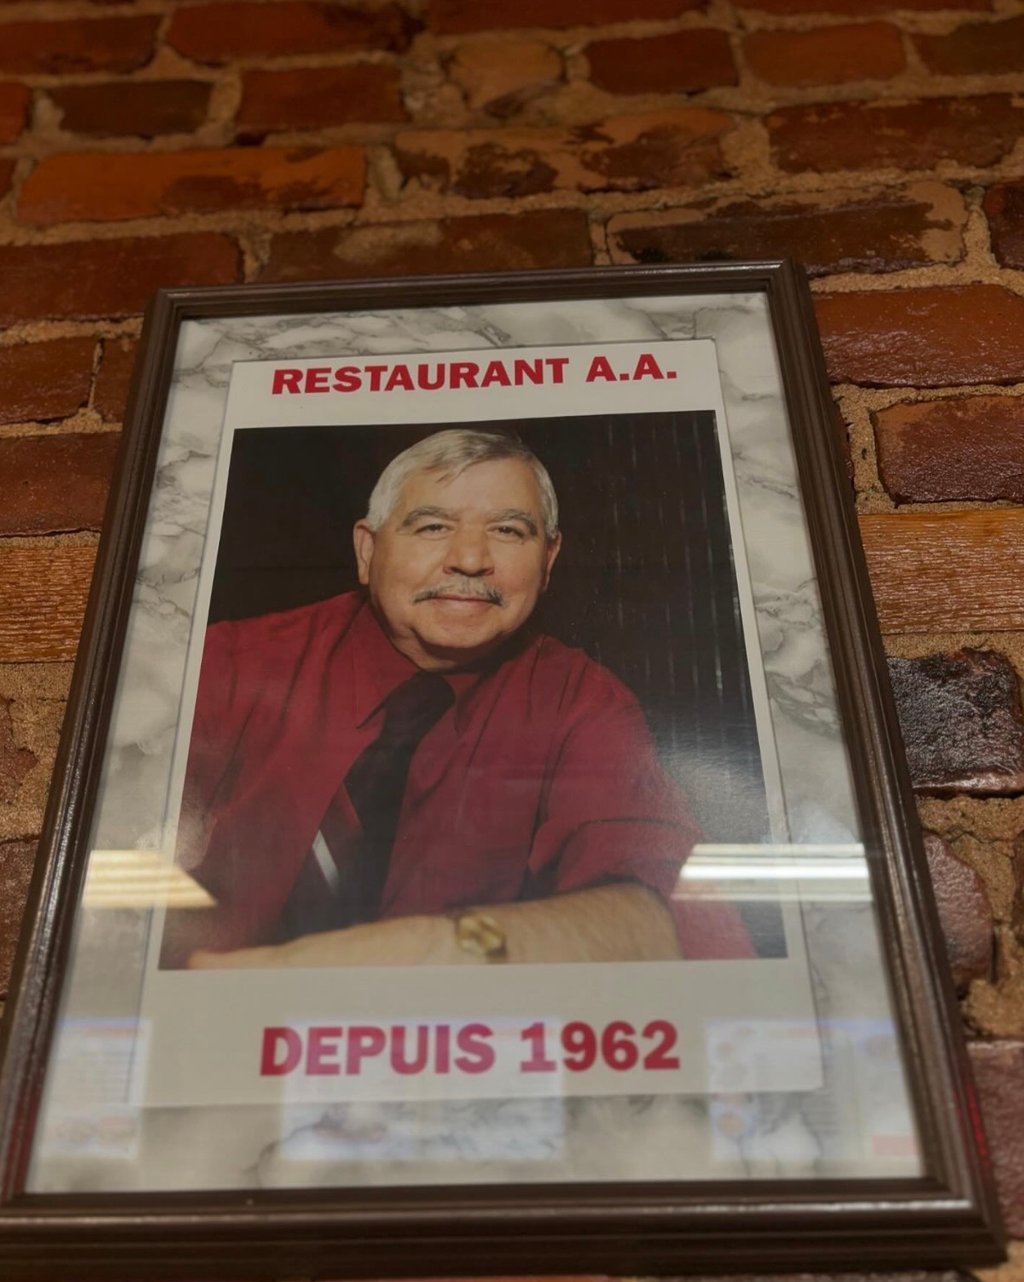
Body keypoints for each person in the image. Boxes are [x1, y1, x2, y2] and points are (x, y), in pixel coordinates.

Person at [163, 428, 699, 970]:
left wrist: (431, 949)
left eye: (509, 530)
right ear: (367, 550)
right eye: (433, 526)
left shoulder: (582, 704)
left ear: (549, 559)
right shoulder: (225, 665)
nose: (469, 559)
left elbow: (657, 920)